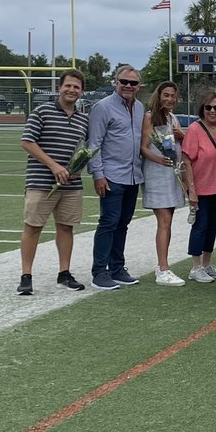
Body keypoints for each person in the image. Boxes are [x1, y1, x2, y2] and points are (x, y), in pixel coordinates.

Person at [17, 69, 89, 295]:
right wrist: (53, 165)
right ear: (60, 87)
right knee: (33, 227)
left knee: (66, 227)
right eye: (68, 85)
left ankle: (64, 272)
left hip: (71, 184)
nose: (72, 90)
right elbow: (27, 142)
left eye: (76, 87)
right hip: (41, 182)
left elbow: (83, 150)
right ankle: (26, 275)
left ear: (81, 92)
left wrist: (77, 168)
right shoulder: (42, 111)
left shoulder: (83, 119)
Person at [87, 65, 146, 291]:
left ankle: (117, 267)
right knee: (108, 223)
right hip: (112, 175)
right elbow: (94, 144)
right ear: (116, 82)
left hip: (132, 176)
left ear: (139, 86)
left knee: (123, 223)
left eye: (133, 83)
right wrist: (98, 175)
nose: (128, 86)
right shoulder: (102, 107)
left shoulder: (139, 108)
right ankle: (99, 271)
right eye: (124, 81)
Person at [139, 81, 188, 287]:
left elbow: (178, 146)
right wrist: (158, 159)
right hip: (157, 175)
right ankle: (163, 269)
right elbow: (143, 148)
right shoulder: (150, 117)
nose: (169, 99)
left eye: (172, 96)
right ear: (158, 96)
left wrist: (182, 137)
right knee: (164, 221)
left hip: (171, 174)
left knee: (168, 221)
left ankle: (163, 265)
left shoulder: (172, 117)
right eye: (165, 95)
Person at [181, 91, 216, 284]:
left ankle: (207, 263)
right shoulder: (195, 129)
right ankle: (196, 266)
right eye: (208, 107)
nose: (212, 111)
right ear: (202, 108)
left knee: (213, 227)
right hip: (201, 187)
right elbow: (186, 160)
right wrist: (191, 189)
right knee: (200, 227)